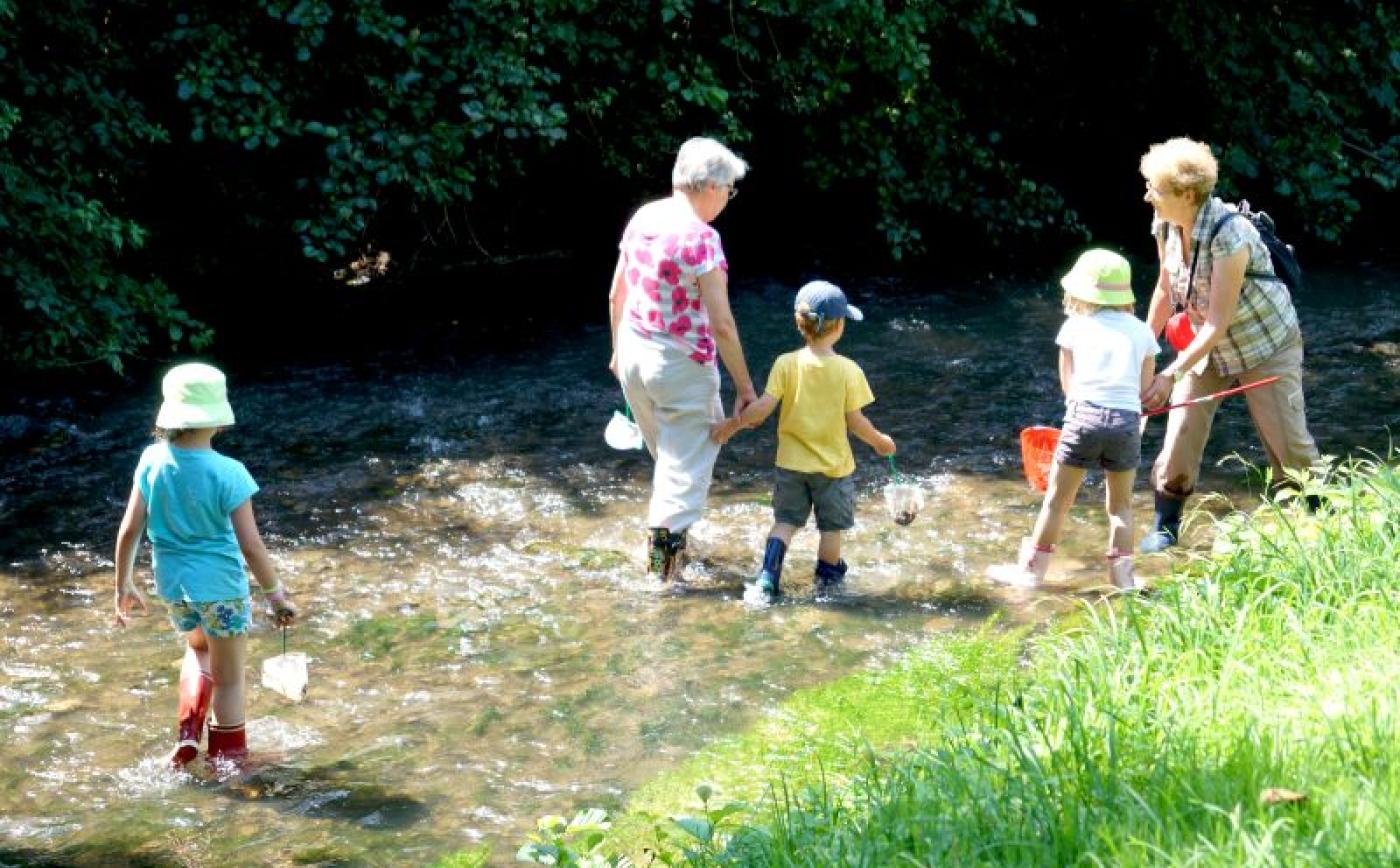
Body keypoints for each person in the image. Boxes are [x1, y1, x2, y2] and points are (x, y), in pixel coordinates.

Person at [1138, 137, 1322, 552]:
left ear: (1187, 194)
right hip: (1209, 349)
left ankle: (1320, 523)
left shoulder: (1230, 234)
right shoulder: (1164, 223)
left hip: (1266, 343)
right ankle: (1166, 527)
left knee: (1288, 443)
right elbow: (1165, 291)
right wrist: (1143, 352)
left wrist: (1170, 374)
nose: (1148, 194)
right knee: (1181, 432)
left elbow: (1218, 323)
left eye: (1156, 188)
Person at [113, 362, 296, 773]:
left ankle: (188, 737)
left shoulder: (151, 460)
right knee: (231, 678)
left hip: (173, 587)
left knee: (198, 651)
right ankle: (229, 761)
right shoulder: (230, 473)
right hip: (222, 589)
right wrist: (275, 594)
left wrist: (122, 584)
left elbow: (129, 530)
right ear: (218, 416)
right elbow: (251, 545)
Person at [608, 136, 757, 583]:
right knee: (681, 479)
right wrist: (746, 388)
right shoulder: (701, 239)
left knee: (671, 467)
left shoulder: (644, 218)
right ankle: (658, 577)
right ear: (710, 185)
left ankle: (675, 556)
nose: (729, 199)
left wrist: (617, 351)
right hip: (678, 367)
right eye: (729, 190)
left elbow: (617, 293)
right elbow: (722, 324)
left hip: (634, 353)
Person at [711, 281, 896, 598]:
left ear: (801, 324)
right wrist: (880, 442)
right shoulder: (849, 370)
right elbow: (856, 422)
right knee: (831, 528)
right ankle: (828, 583)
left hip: (791, 465)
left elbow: (763, 409)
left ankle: (768, 578)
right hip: (833, 469)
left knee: (785, 523)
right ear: (838, 326)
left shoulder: (786, 363)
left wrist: (734, 425)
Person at [988, 250, 1158, 590]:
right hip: (1125, 422)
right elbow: (1143, 390)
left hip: (1083, 416)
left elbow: (1069, 386)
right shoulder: (1142, 333)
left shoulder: (1074, 326)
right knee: (1120, 506)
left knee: (1057, 501)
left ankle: (1032, 573)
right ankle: (1124, 580)